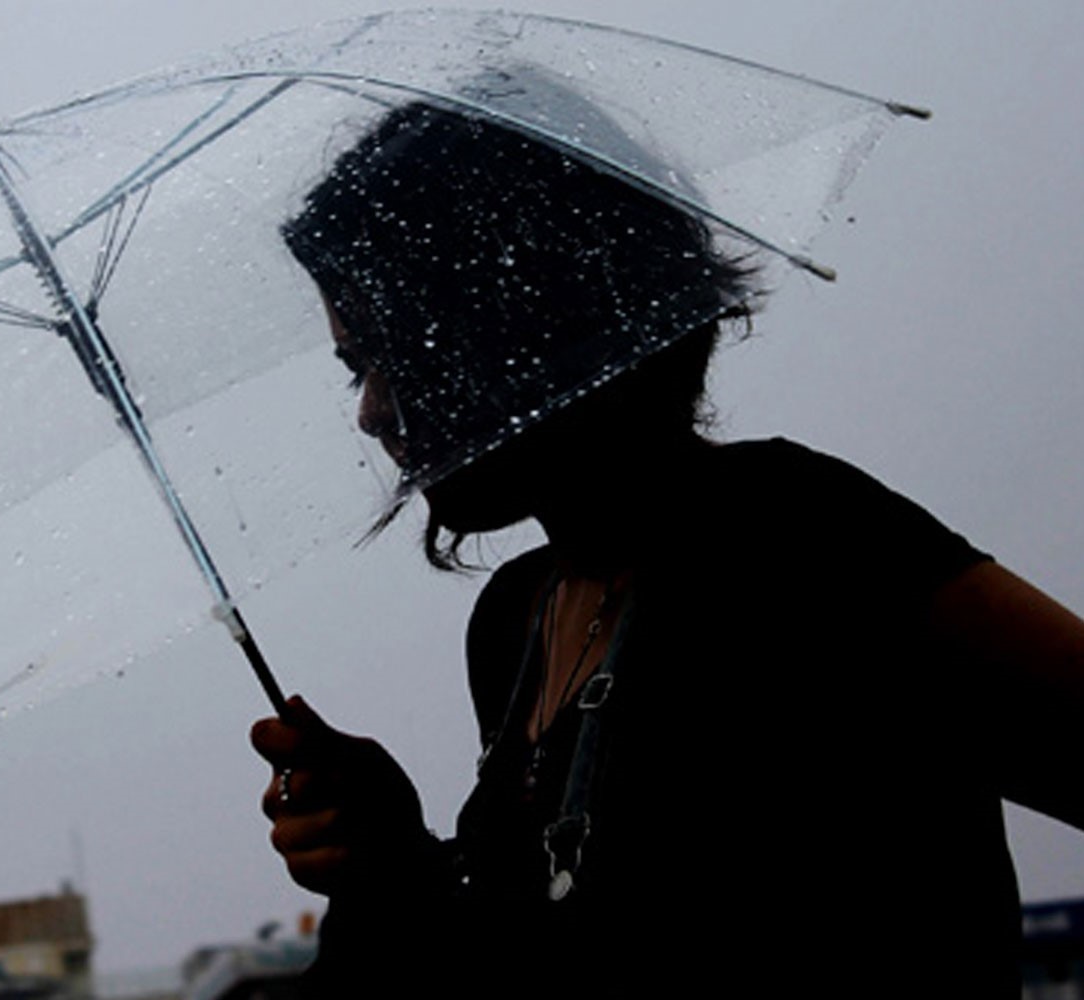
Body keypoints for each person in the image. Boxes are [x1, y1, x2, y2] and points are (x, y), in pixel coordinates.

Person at [250, 96, 1084, 997]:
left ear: (517, 316)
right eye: (354, 365)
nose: (373, 409)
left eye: (394, 350)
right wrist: (389, 865)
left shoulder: (799, 539)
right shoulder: (516, 620)